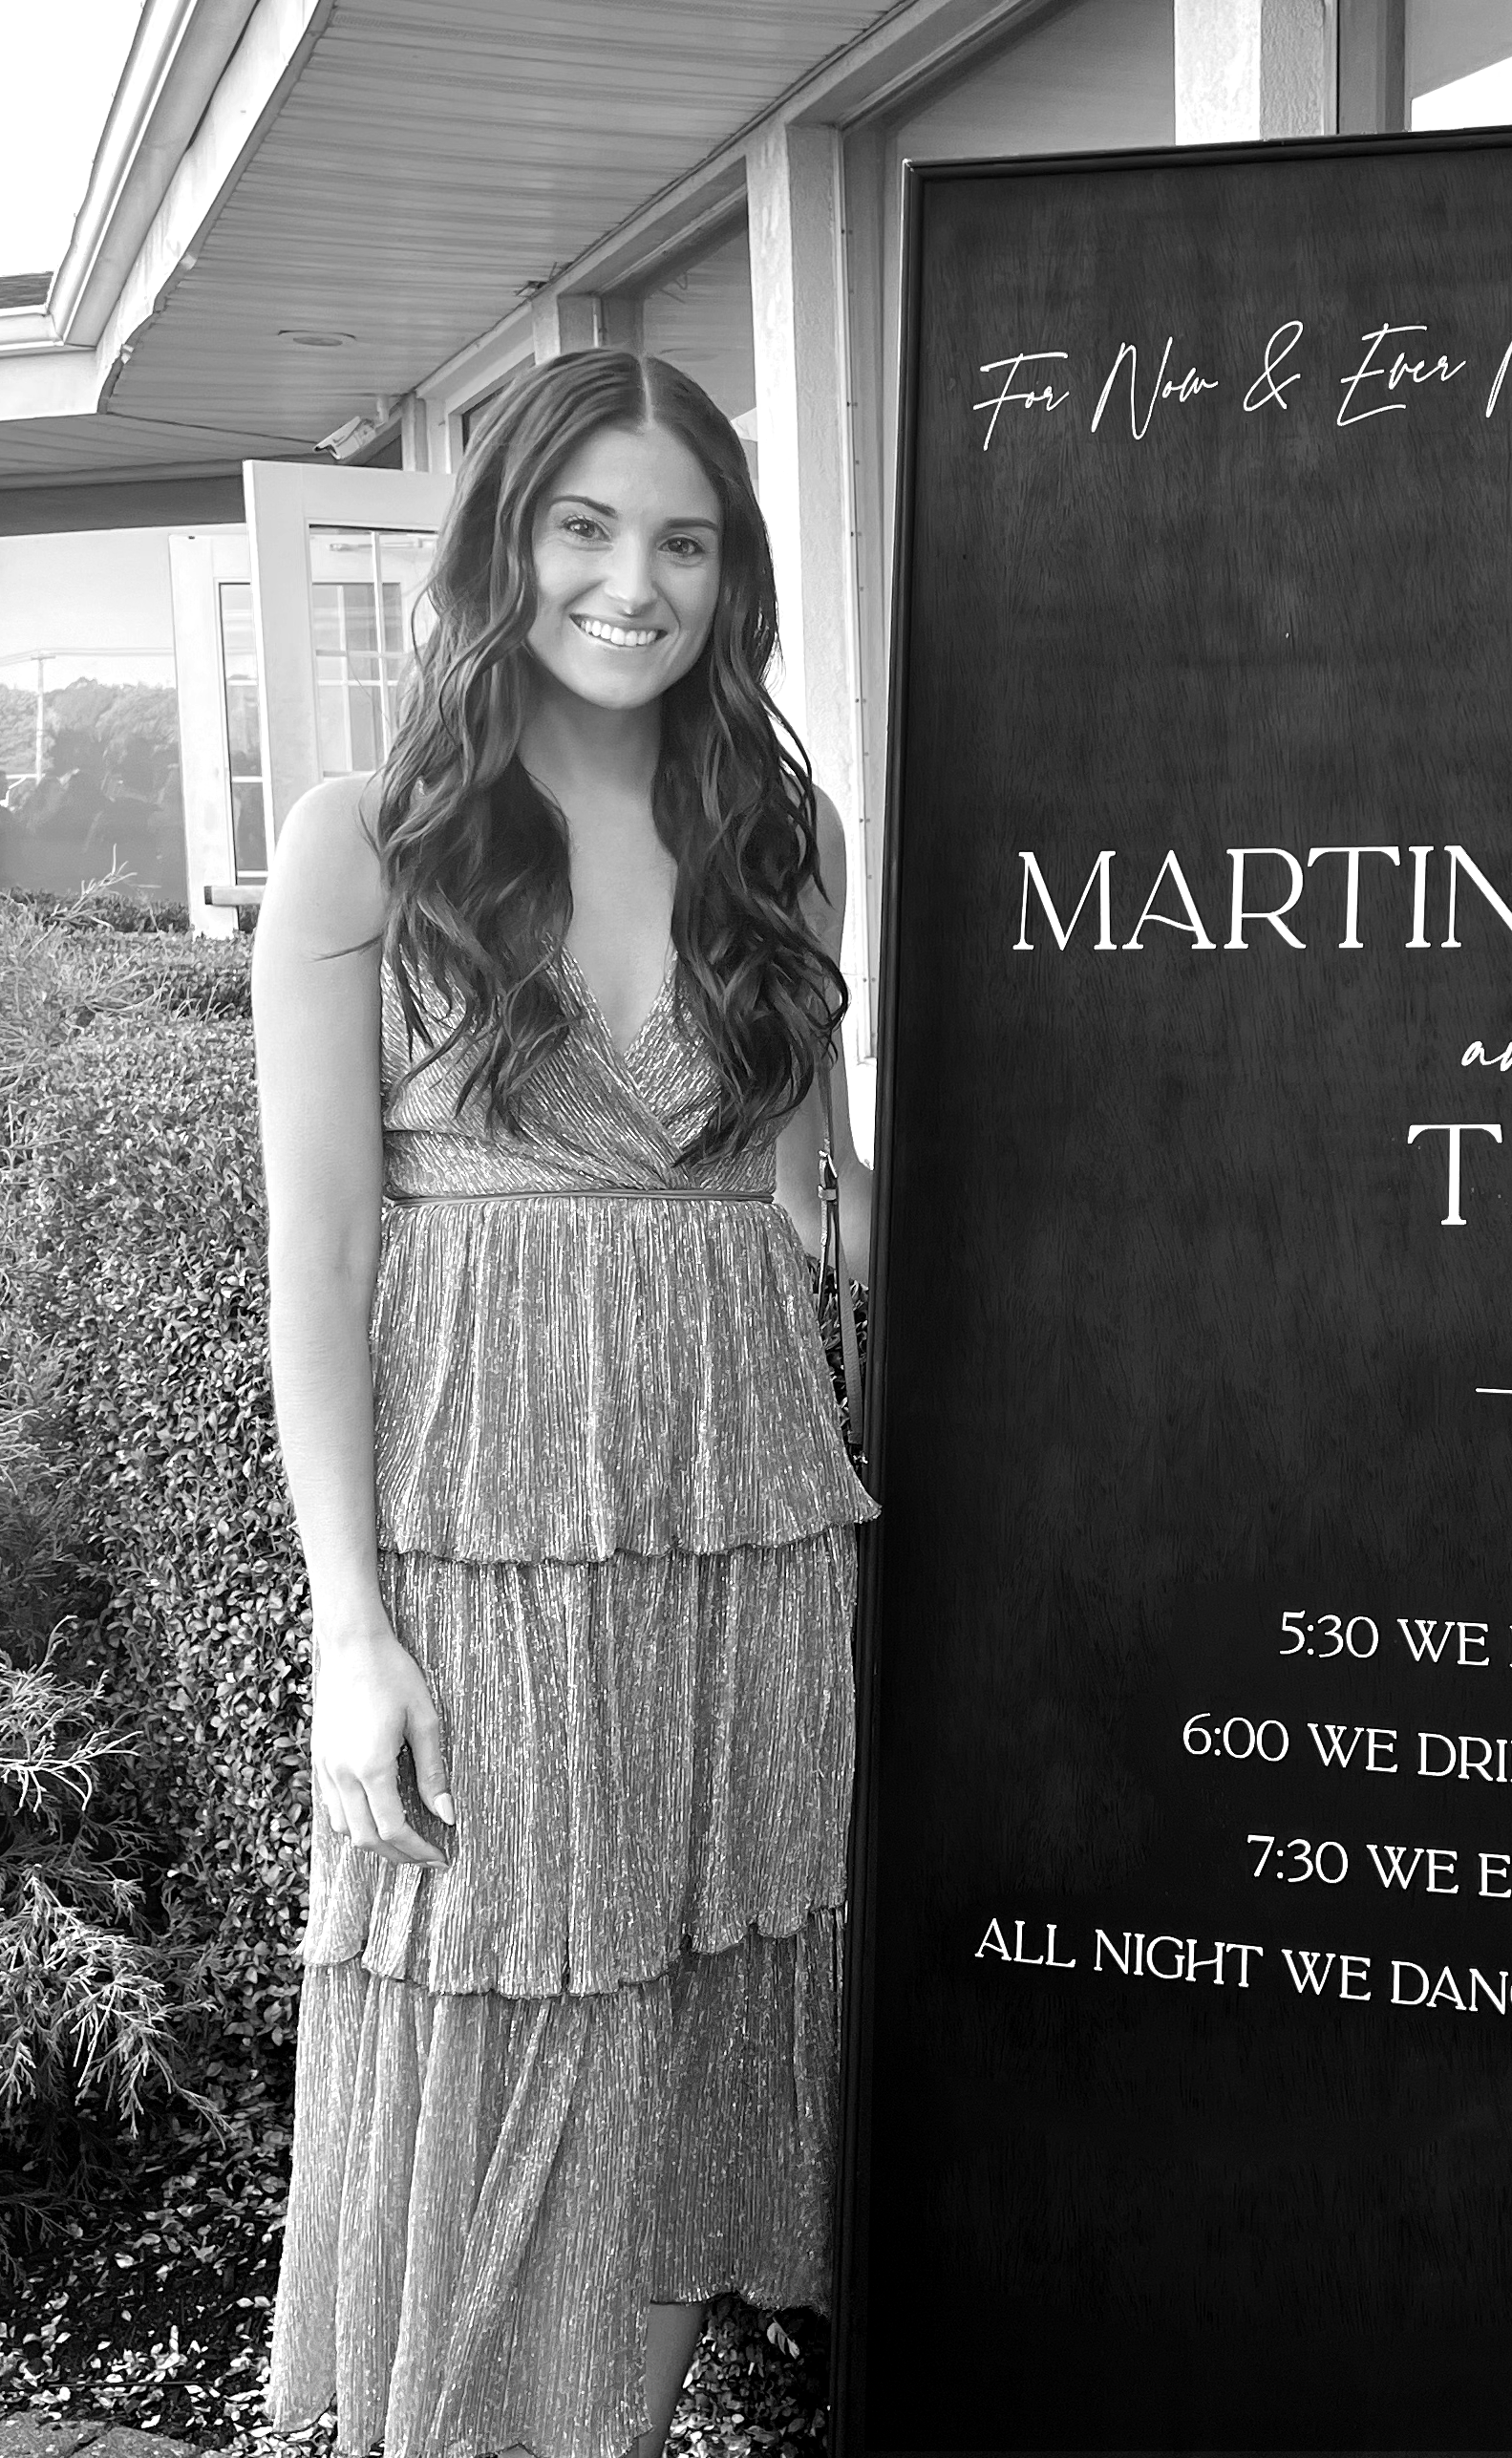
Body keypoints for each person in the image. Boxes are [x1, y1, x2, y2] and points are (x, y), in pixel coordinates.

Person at [252, 350, 877, 2458]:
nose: (637, 582)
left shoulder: (780, 835)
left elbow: (822, 1205)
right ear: (503, 543)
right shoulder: (366, 846)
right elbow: (320, 1267)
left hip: (740, 1523)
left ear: (735, 573)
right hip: (489, 1536)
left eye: (684, 539)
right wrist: (352, 1625)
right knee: (501, 2025)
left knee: (696, 2020)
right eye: (587, 528)